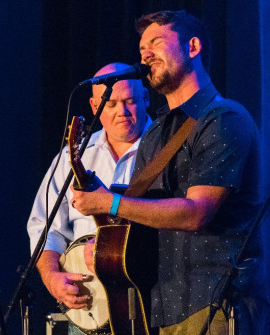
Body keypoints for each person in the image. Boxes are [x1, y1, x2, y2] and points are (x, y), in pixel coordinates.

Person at [70, 10, 268, 334]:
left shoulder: (223, 119)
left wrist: (110, 204)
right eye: (141, 49)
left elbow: (195, 214)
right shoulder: (155, 133)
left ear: (192, 47)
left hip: (217, 303)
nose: (145, 54)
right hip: (163, 310)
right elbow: (143, 217)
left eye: (156, 42)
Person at [27, 63, 152, 334]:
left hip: (150, 308)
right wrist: (52, 277)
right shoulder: (71, 157)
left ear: (146, 98)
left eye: (131, 101)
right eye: (112, 104)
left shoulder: (164, 150)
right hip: (88, 313)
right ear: (95, 107)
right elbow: (45, 227)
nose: (122, 111)